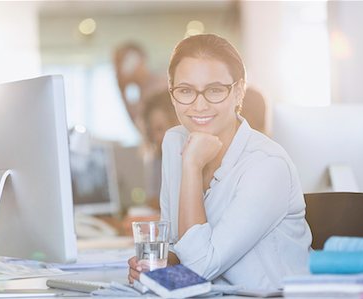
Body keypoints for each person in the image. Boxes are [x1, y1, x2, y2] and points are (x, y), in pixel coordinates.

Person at [128, 34, 312, 290]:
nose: (199, 105)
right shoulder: (174, 142)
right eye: (185, 91)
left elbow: (198, 267)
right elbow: (178, 245)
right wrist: (158, 263)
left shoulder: (267, 165)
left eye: (214, 90)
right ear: (172, 94)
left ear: (238, 92)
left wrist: (191, 166)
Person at [141, 90, 179, 209]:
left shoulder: (192, 159)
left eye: (160, 129)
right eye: (153, 131)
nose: (156, 137)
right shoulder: (159, 158)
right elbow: (153, 200)